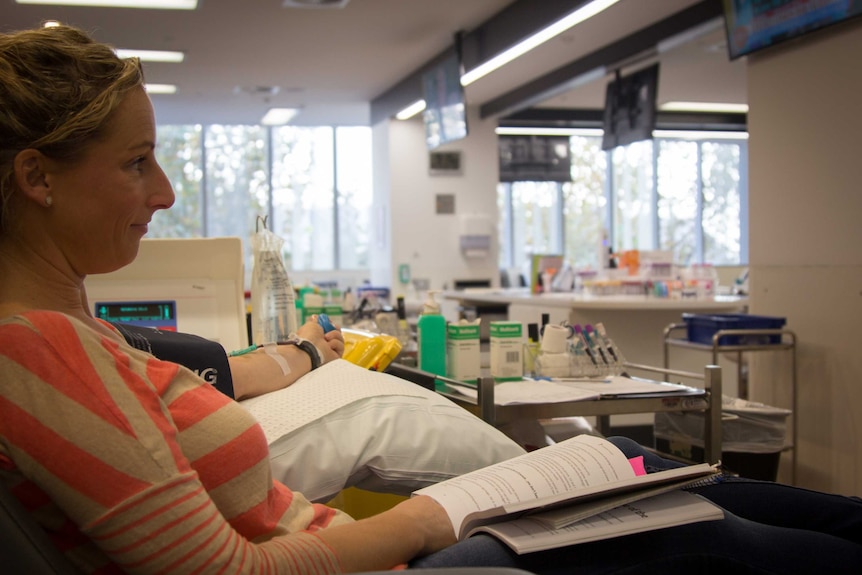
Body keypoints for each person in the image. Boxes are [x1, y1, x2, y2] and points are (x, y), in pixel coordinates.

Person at [1, 24, 861, 575]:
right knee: (700, 532)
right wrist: (428, 516)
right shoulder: (39, 350)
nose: (167, 190)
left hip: (353, 540)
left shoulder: (69, 333)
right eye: (136, 162)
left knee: (661, 475)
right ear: (36, 177)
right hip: (381, 558)